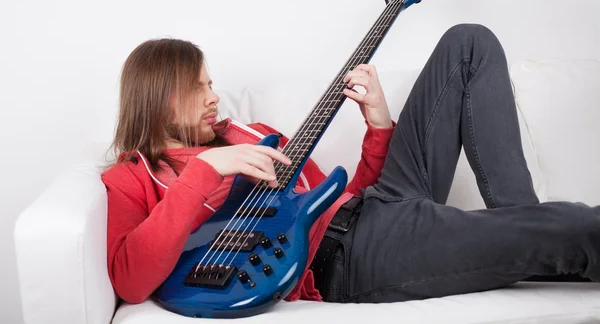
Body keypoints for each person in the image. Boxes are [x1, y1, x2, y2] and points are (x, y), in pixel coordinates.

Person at [101, 23, 600, 307]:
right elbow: (130, 278)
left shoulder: (253, 135)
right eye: (200, 87)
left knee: (469, 44)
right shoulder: (130, 179)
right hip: (349, 256)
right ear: (161, 96)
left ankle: (525, 231)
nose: (214, 97)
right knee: (579, 224)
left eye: (213, 84)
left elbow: (333, 196)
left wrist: (380, 125)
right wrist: (208, 171)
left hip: (374, 207)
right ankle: (537, 237)